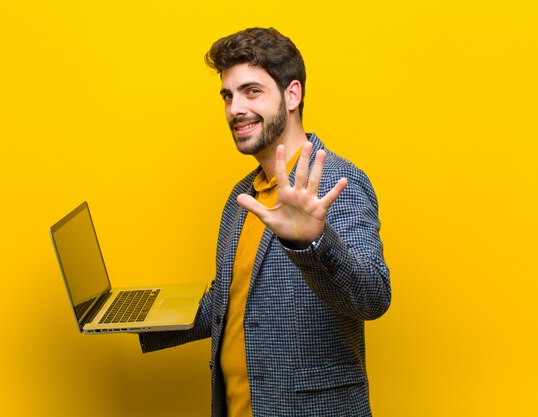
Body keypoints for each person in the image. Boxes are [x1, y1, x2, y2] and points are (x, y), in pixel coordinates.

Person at [139, 27, 391, 417]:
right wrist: (138, 317)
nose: (235, 108)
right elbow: (230, 304)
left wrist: (312, 241)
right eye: (228, 95)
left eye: (251, 91)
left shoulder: (338, 182)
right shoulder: (243, 198)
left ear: (292, 95)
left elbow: (372, 296)